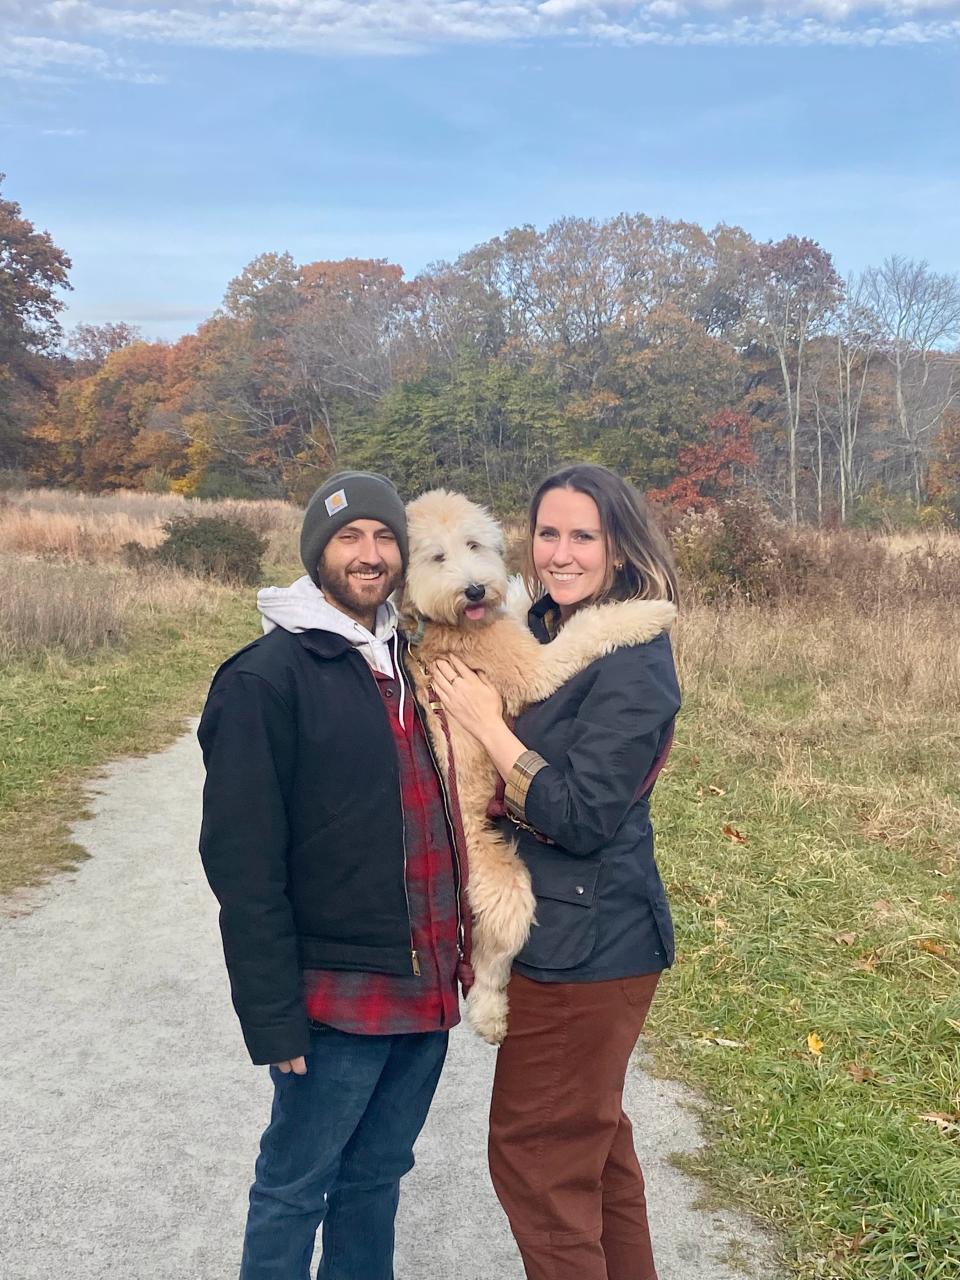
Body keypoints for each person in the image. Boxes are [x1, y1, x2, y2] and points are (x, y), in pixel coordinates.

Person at [197, 470, 468, 1280]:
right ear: (318, 553)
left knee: (377, 1179)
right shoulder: (264, 680)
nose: (370, 553)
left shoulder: (414, 663)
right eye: (349, 538)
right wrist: (273, 1018)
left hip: (426, 988)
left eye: (385, 538)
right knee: (293, 1188)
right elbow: (241, 868)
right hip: (334, 999)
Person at [431, 462, 680, 1280]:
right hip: (572, 936)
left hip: (590, 946)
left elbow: (579, 816)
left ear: (619, 548)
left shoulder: (634, 662)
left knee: (536, 1161)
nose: (561, 553)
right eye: (547, 533)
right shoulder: (537, 624)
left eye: (584, 536)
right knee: (595, 1156)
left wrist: (487, 729)